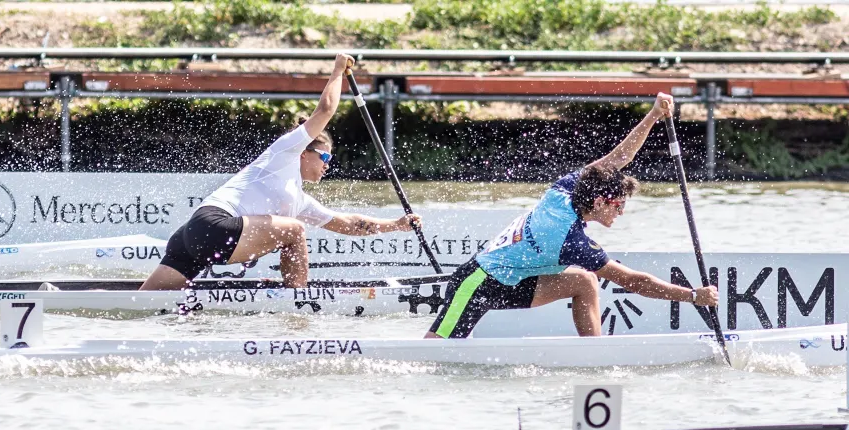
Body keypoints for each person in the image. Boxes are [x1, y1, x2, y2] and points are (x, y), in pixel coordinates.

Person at [426, 93, 719, 339]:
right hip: (478, 282)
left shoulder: (566, 189)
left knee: (584, 282)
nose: (621, 212)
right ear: (600, 201)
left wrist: (654, 115)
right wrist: (693, 296)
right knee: (431, 355)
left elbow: (619, 158)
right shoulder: (571, 241)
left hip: (513, 280)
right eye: (618, 205)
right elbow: (633, 282)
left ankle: (592, 355)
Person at [141, 53, 421, 290]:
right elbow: (325, 109)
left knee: (143, 304)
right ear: (304, 151)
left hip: (192, 235)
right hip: (214, 225)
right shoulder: (284, 151)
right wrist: (337, 70)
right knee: (295, 230)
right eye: (324, 155)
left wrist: (396, 225)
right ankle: (297, 301)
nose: (327, 164)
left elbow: (347, 223)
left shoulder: (297, 200)